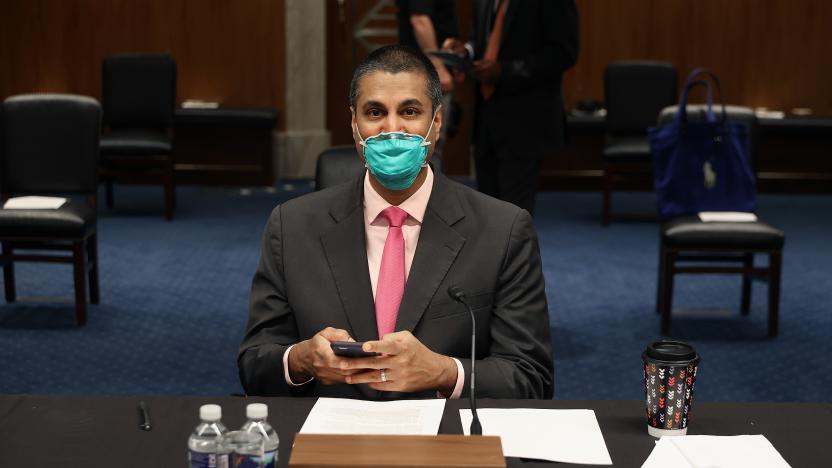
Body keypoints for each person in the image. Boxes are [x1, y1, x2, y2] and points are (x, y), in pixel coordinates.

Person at [238, 45, 552, 400]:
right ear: (354, 124)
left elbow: (531, 379)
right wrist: (300, 360)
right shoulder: (291, 226)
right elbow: (254, 364)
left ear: (436, 123)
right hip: (332, 442)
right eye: (375, 112)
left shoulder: (503, 229)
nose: (392, 129)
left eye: (410, 111)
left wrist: (444, 372)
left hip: (443, 442)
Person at [443, 0, 579, 215]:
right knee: (486, 212)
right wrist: (466, 51)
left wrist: (505, 71)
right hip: (486, 118)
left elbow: (564, 53)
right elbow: (482, 40)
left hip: (526, 119)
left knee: (514, 216)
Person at [397, 0, 459, 166]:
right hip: (423, 73)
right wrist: (438, 66)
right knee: (427, 147)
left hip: (425, 70)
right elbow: (419, 20)